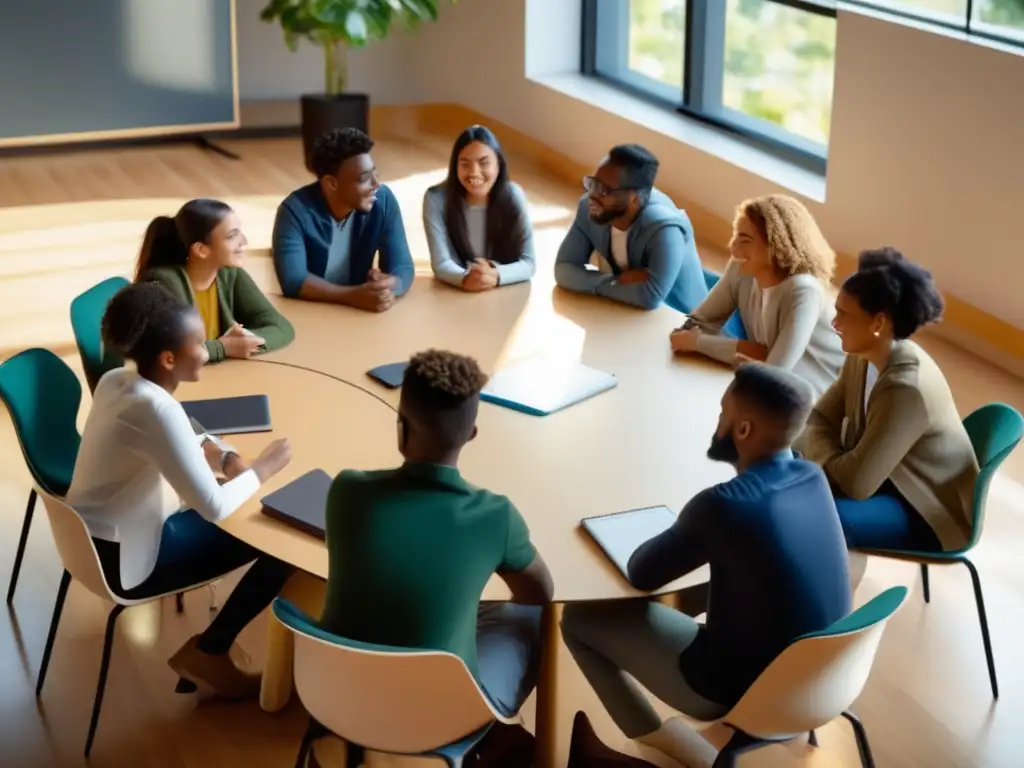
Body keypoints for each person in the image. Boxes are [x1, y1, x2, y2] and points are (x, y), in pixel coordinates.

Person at [561, 363, 851, 768]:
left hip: (735, 687)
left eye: (722, 413)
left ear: (743, 430)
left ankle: (666, 747)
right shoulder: (812, 476)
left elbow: (642, 573)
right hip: (825, 675)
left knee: (578, 619)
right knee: (710, 582)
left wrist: (687, 529)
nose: (717, 422)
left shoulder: (724, 505)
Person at [65, 282, 295, 699]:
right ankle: (211, 650)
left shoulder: (118, 380)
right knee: (281, 541)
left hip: (94, 537)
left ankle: (211, 650)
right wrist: (263, 467)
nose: (208, 350)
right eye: (199, 343)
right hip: (126, 560)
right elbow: (214, 506)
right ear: (169, 359)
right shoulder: (156, 408)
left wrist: (226, 459)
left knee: (249, 507)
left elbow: (184, 432)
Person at [318, 349, 553, 725]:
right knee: (532, 620)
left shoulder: (347, 490)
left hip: (332, 691)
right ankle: (505, 740)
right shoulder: (496, 516)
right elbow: (538, 595)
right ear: (472, 434)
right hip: (439, 713)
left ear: (400, 425)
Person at [799, 248, 978, 553]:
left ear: (878, 323)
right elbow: (817, 419)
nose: (834, 323)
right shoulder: (863, 355)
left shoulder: (906, 388)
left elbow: (857, 484)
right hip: (886, 477)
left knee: (819, 515)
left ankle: (810, 596)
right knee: (783, 461)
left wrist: (821, 456)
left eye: (844, 314)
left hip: (926, 508)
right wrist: (833, 460)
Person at [670, 195, 844, 398]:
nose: (733, 248)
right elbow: (693, 326)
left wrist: (699, 343)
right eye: (735, 237)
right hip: (770, 393)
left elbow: (774, 372)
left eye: (744, 240)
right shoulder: (740, 269)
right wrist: (752, 351)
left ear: (776, 245)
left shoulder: (804, 291)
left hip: (818, 404)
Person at [136, 198, 295, 363]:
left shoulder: (229, 273)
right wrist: (223, 347)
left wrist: (246, 341)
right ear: (201, 250)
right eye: (232, 236)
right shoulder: (164, 283)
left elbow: (281, 327)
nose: (244, 241)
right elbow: (166, 352)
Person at [272, 128, 414, 312]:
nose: (376, 184)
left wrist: (389, 285)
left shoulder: (383, 200)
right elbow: (294, 281)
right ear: (331, 183)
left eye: (375, 174)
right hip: (312, 314)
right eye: (364, 179)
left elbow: (403, 265)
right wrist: (353, 296)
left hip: (361, 318)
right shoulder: (294, 212)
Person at [554, 144, 707, 313]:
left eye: (605, 191)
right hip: (623, 310)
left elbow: (650, 297)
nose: (592, 195)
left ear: (633, 198)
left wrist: (589, 282)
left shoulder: (665, 229)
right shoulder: (588, 207)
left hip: (682, 317)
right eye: (592, 184)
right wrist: (615, 281)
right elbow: (563, 269)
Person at [424, 125, 535, 291]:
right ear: (455, 167)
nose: (474, 172)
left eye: (484, 163)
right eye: (465, 164)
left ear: (498, 164)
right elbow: (441, 263)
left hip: (503, 293)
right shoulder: (435, 199)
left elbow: (529, 263)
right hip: (454, 294)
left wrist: (496, 275)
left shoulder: (514, 195)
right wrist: (465, 278)